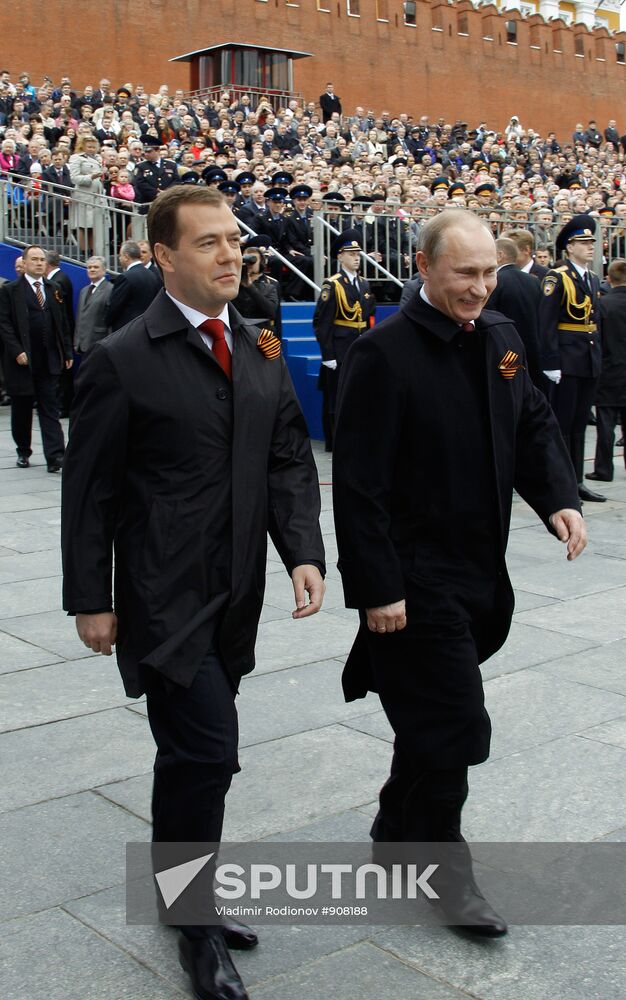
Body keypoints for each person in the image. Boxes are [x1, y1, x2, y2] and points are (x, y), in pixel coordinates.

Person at [61, 185, 325, 1000]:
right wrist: (90, 597)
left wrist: (302, 550)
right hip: (161, 596)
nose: (229, 255)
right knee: (207, 752)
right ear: (163, 256)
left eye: (233, 241)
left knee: (191, 759)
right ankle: (195, 927)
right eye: (207, 243)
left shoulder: (259, 340)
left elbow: (287, 454)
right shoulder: (123, 358)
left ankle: (183, 893)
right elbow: (89, 491)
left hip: (237, 589)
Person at [333, 210, 586, 937]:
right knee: (457, 722)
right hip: (415, 578)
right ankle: (444, 865)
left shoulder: (500, 335)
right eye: (464, 274)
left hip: (480, 570)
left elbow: (530, 419)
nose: (480, 288)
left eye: (489, 273)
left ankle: (393, 828)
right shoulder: (382, 354)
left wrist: (558, 498)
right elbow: (358, 485)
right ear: (423, 266)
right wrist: (378, 588)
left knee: (430, 711)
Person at [539, 215, 606, 503]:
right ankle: (561, 484)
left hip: (587, 359)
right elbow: (546, 323)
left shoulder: (592, 278)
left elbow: (595, 321)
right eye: (584, 242)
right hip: (566, 360)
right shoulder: (557, 277)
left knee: (579, 425)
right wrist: (550, 361)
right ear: (569, 246)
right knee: (563, 425)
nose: (590, 246)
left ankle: (577, 481)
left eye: (592, 241)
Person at [0, 244, 73, 471]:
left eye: (42, 259)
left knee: (49, 407)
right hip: (22, 361)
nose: (39, 263)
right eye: (34, 259)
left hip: (48, 359)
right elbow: (4, 324)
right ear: (24, 263)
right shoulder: (10, 290)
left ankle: (56, 455)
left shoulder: (53, 288)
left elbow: (62, 322)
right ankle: (23, 450)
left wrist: (66, 351)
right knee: (22, 408)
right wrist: (16, 351)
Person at [313, 229, 376, 452]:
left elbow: (368, 317)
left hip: (359, 346)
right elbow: (322, 323)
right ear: (340, 257)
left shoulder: (364, 284)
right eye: (351, 254)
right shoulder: (332, 285)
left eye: (358, 254)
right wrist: (328, 355)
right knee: (335, 398)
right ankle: (334, 441)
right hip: (339, 349)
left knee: (358, 394)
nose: (356, 258)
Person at [585, 258, 626, 483]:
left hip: (609, 370)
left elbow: (596, 337)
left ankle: (604, 468)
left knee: (606, 425)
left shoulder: (603, 304)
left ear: (609, 279)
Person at [486, 237, 544, 390]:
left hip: (505, 350)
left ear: (499, 255)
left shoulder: (496, 280)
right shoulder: (534, 281)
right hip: (533, 349)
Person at [232, 234, 282, 336]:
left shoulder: (271, 285)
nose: (249, 264)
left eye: (253, 260)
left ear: (261, 262)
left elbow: (273, 313)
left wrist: (250, 287)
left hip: (263, 334)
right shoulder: (233, 282)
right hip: (239, 333)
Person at [106, 239, 160, 330]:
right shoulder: (152, 275)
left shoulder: (125, 277)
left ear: (126, 257)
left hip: (127, 329)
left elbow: (114, 307)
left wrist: (107, 322)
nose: (119, 259)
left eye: (120, 256)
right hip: (147, 328)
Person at [74, 256, 112, 353]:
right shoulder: (84, 290)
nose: (92, 269)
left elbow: (111, 319)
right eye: (89, 267)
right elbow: (80, 317)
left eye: (96, 267)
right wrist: (77, 342)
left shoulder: (110, 289)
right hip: (82, 345)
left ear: (104, 270)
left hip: (100, 344)